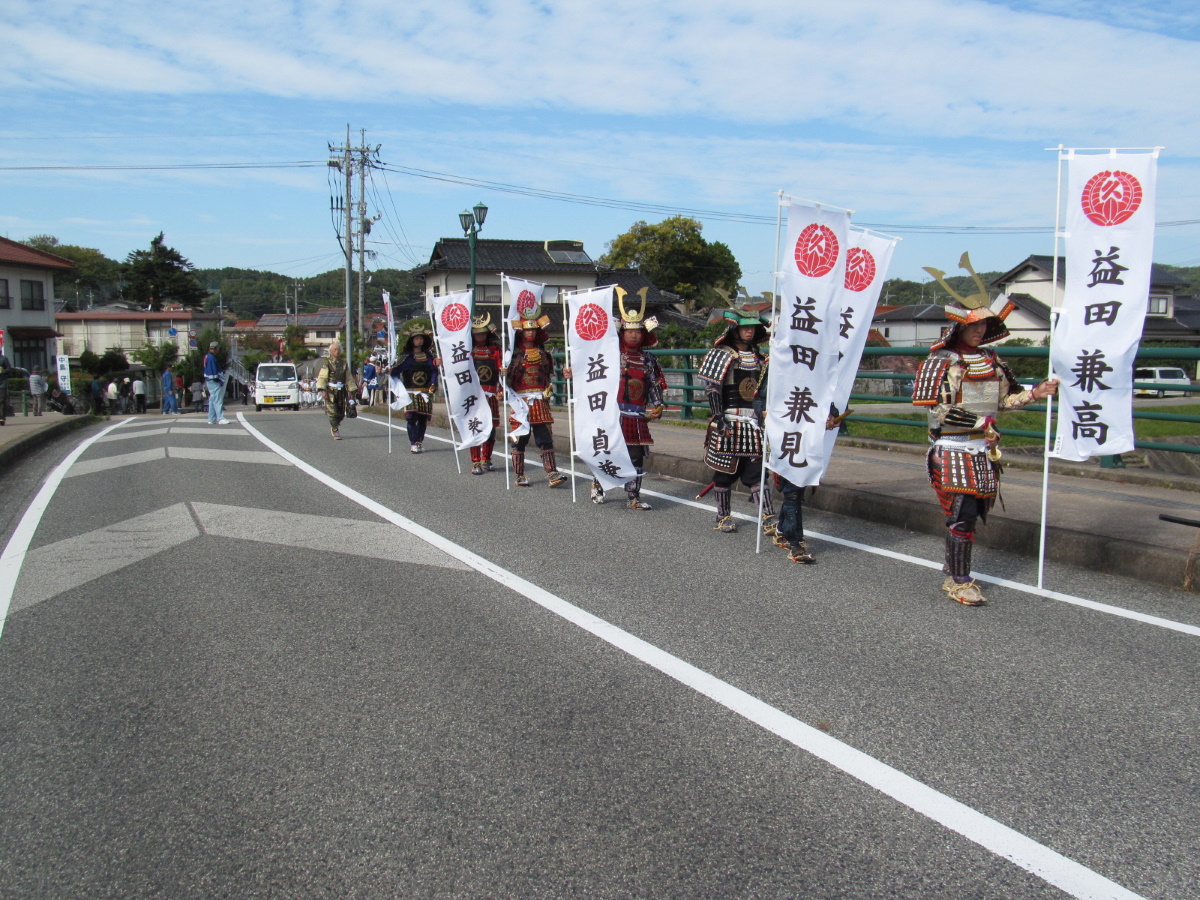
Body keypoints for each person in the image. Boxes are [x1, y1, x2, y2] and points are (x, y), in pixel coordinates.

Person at [913, 264, 1059, 606]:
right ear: (959, 327)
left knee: (973, 512)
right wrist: (981, 423)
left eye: (984, 325)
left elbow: (1004, 401)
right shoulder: (940, 361)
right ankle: (959, 580)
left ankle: (954, 566)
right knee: (961, 513)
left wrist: (1036, 393)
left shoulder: (993, 360)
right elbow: (936, 408)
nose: (980, 331)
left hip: (984, 451)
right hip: (953, 446)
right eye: (974, 325)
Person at [697, 306, 775, 533]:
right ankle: (722, 516)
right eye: (745, 327)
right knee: (724, 472)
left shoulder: (761, 357)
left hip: (752, 422)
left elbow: (762, 390)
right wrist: (719, 418)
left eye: (752, 327)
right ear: (735, 328)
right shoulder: (722, 354)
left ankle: (768, 516)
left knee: (757, 472)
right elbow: (713, 389)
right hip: (729, 420)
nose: (749, 331)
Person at [586, 289, 666, 509]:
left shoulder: (648, 359)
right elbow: (593, 379)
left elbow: (653, 384)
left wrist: (658, 404)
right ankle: (599, 484)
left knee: (636, 455)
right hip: (612, 413)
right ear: (622, 333)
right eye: (629, 331)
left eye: (638, 331)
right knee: (608, 451)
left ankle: (633, 496)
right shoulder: (609, 355)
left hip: (636, 413)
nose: (634, 335)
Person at [504, 301, 567, 487]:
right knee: (520, 438)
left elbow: (548, 376)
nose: (530, 333)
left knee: (545, 437)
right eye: (526, 330)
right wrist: (503, 376)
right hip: (520, 400)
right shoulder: (513, 355)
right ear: (521, 332)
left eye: (533, 330)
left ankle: (552, 473)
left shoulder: (544, 354)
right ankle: (520, 475)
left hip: (539, 399)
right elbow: (507, 381)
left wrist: (549, 388)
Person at [391, 322, 439, 453]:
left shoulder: (429, 356)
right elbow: (397, 370)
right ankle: (413, 442)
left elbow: (434, 371)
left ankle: (419, 441)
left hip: (424, 391)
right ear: (412, 341)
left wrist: (433, 383)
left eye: (421, 338)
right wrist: (388, 371)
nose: (419, 340)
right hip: (410, 391)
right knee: (411, 418)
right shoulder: (407, 357)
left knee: (423, 418)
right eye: (417, 338)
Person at [468, 314, 503, 475]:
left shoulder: (495, 350)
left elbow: (501, 370)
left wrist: (501, 389)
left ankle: (486, 458)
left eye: (482, 333)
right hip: (474, 395)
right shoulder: (468, 351)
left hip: (490, 394)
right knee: (475, 427)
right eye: (477, 334)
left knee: (490, 429)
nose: (480, 336)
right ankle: (475, 461)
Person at [316, 340, 356, 439]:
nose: (337, 351)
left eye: (338, 349)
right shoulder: (327, 364)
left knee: (341, 413)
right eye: (334, 349)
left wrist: (351, 390)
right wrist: (323, 390)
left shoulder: (344, 364)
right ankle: (335, 429)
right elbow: (322, 377)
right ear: (331, 351)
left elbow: (349, 378)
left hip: (341, 391)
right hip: (330, 391)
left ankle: (336, 425)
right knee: (332, 412)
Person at [203, 341, 229, 424]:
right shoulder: (211, 357)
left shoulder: (207, 356)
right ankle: (220, 418)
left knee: (212, 400)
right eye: (218, 348)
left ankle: (211, 418)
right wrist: (217, 378)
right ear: (216, 348)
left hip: (209, 380)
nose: (219, 350)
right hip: (213, 381)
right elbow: (213, 370)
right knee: (217, 400)